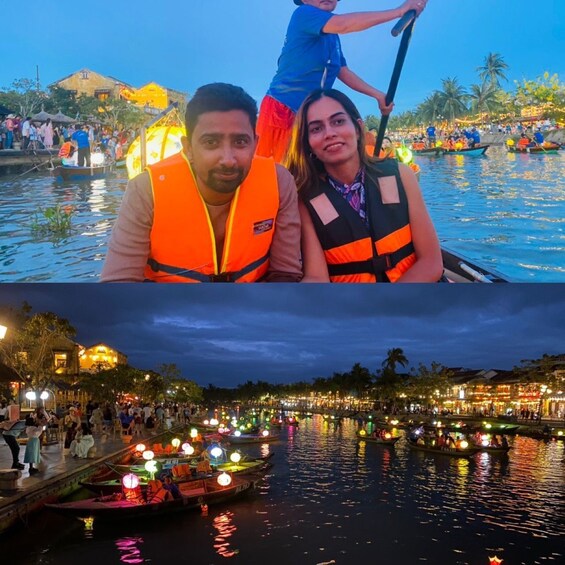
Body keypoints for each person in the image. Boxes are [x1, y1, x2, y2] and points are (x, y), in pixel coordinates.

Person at [101, 82, 302, 283]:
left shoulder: (279, 182)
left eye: (240, 142)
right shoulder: (145, 190)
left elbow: (286, 274)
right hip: (169, 311)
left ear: (255, 145)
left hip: (253, 308)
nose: (228, 159)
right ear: (188, 148)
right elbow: (118, 284)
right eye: (210, 142)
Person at [285, 88, 443, 282]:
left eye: (338, 121)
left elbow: (431, 261)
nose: (330, 133)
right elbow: (317, 278)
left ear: (358, 129)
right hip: (353, 309)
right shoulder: (305, 201)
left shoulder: (402, 174)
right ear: (308, 143)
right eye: (316, 128)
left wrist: (388, 306)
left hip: (413, 300)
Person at [256, 0, 428, 162]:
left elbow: (342, 71)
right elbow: (344, 24)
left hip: (309, 115)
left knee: (306, 173)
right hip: (282, 111)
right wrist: (399, 11)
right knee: (278, 174)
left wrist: (377, 95)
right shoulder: (303, 14)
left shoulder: (332, 36)